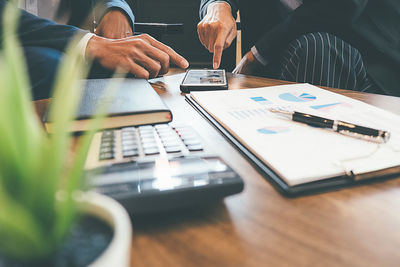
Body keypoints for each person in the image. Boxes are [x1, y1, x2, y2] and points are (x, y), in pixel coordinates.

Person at [197, 0, 400, 96]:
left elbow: (339, 7)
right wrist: (218, 5)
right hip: (281, 66)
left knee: (315, 48)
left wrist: (256, 55)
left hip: (370, 70)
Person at [0, 0, 189, 100]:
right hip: (22, 53)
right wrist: (88, 43)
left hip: (76, 55)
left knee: (131, 71)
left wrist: (115, 9)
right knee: (51, 65)